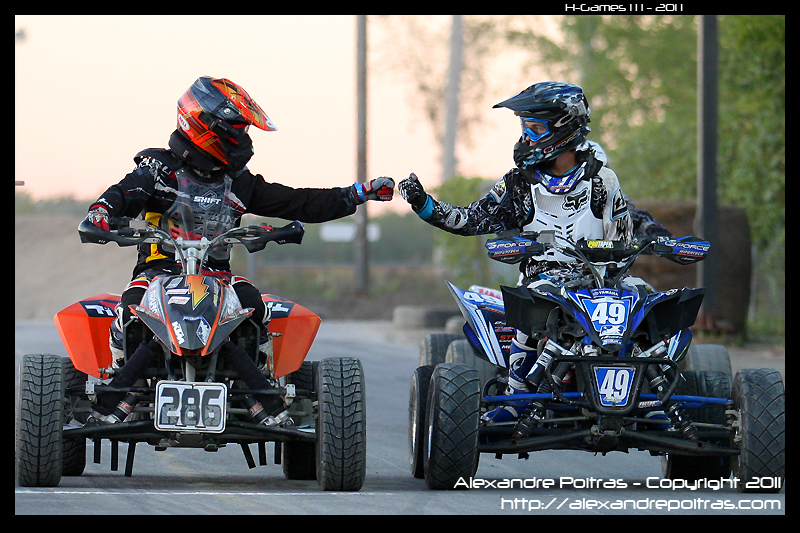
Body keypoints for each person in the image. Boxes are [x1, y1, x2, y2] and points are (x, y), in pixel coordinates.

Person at [84, 76, 394, 426]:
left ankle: (262, 394)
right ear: (202, 124)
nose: (242, 137)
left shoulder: (239, 182)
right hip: (157, 273)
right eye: (235, 128)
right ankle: (121, 386)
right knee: (132, 307)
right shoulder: (157, 170)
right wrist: (101, 213)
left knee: (253, 305)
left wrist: (354, 194)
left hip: (219, 280)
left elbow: (298, 201)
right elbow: (121, 194)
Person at [397, 81, 671, 433]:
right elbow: (472, 219)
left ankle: (655, 398)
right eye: (524, 127)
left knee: (646, 300)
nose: (526, 136)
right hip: (547, 280)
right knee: (532, 303)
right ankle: (515, 397)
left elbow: (622, 232)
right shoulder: (519, 183)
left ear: (565, 129)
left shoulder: (603, 179)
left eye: (535, 128)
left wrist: (650, 245)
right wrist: (425, 205)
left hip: (603, 281)